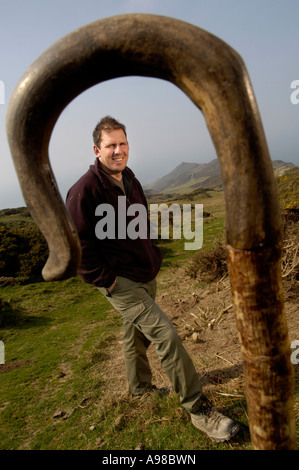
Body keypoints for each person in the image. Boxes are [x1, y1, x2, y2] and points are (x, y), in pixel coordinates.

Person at [66, 116, 239, 443]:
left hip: (145, 273)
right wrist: (108, 281)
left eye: (123, 144)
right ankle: (198, 409)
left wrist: (153, 255)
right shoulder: (83, 191)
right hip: (120, 282)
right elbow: (78, 248)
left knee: (135, 335)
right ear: (96, 150)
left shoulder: (129, 178)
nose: (118, 150)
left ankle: (140, 390)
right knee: (166, 335)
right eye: (110, 145)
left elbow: (140, 220)